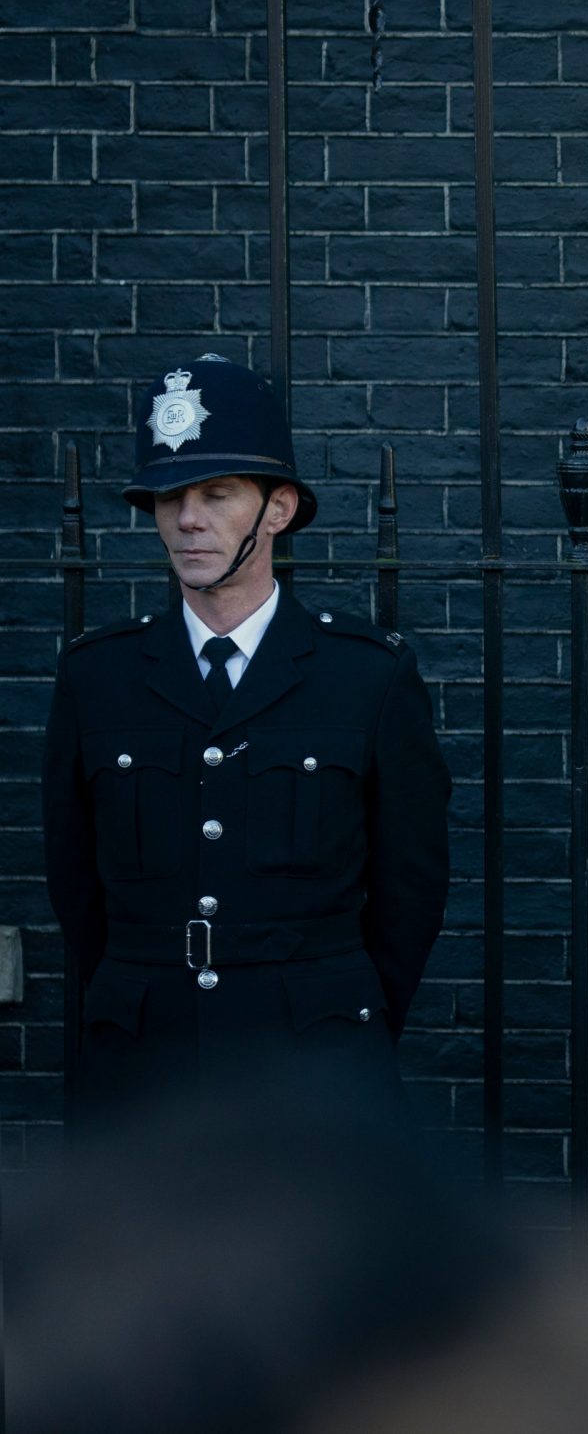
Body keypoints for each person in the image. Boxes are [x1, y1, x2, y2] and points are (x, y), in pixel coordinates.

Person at [42, 354, 452, 1134]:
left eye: (216, 493)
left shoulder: (366, 676)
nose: (187, 519)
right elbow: (78, 889)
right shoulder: (98, 676)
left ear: (278, 509)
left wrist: (340, 1013)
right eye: (169, 496)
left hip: (313, 1068)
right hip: (143, 1073)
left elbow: (411, 890)